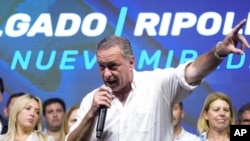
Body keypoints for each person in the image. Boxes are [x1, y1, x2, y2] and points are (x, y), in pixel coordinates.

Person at [66, 19, 250, 141]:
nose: (106, 74)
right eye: (101, 67)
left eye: (113, 66)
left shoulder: (157, 84)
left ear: (131, 62)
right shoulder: (92, 101)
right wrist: (91, 113)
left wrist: (218, 52)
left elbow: (194, 71)